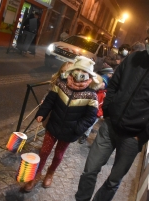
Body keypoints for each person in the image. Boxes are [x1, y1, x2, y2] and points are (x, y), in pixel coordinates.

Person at [75, 18, 149, 201]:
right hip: (110, 128)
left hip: (133, 138)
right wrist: (109, 111)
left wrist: (143, 134)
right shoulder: (134, 59)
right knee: (89, 170)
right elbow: (114, 86)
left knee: (113, 181)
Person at [22, 56, 99, 192]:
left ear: (89, 76)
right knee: (44, 151)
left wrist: (77, 128)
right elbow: (50, 101)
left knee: (58, 155)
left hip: (69, 132)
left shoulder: (91, 95)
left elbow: (91, 116)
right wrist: (42, 113)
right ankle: (36, 175)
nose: (79, 75)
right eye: (77, 70)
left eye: (83, 72)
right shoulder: (61, 83)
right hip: (53, 125)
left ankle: (50, 173)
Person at [78, 68, 114, 144]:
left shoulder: (103, 95)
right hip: (88, 111)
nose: (101, 84)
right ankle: (79, 132)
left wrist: (100, 113)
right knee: (84, 121)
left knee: (89, 125)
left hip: (96, 113)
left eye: (102, 83)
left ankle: (85, 135)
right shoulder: (93, 91)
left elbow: (102, 104)